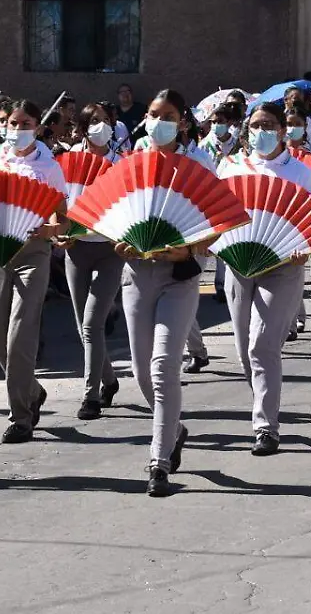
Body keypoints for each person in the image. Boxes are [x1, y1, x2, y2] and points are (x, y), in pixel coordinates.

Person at [112, 89, 214, 496]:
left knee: (162, 366)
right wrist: (118, 240)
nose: (158, 122)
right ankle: (175, 427)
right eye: (153, 114)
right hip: (136, 273)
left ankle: (158, 461)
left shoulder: (200, 164)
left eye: (167, 115)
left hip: (180, 276)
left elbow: (218, 221)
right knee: (140, 373)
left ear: (183, 122)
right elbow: (113, 212)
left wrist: (188, 249)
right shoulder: (131, 163)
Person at [219, 102, 311, 455]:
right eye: (256, 124)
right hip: (238, 264)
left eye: (269, 124)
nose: (262, 131)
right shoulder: (230, 167)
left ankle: (265, 426)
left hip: (281, 267)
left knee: (262, 346)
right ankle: (266, 403)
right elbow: (215, 213)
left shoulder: (301, 173)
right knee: (245, 353)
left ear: (282, 130)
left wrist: (304, 249)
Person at [0, 99, 68, 443]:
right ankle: (31, 390)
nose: (16, 130)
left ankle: (20, 417)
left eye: (24, 123)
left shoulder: (48, 166)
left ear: (38, 126)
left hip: (33, 253)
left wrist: (49, 231)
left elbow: (60, 216)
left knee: (20, 336)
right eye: (11, 123)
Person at [67, 103, 125, 421]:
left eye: (105, 120)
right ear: (84, 126)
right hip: (77, 249)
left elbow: (131, 204)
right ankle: (110, 380)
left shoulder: (120, 163)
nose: (100, 126)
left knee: (92, 324)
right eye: (94, 121)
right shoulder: (70, 158)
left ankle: (90, 396)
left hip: (110, 251)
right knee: (83, 327)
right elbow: (56, 199)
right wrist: (60, 232)